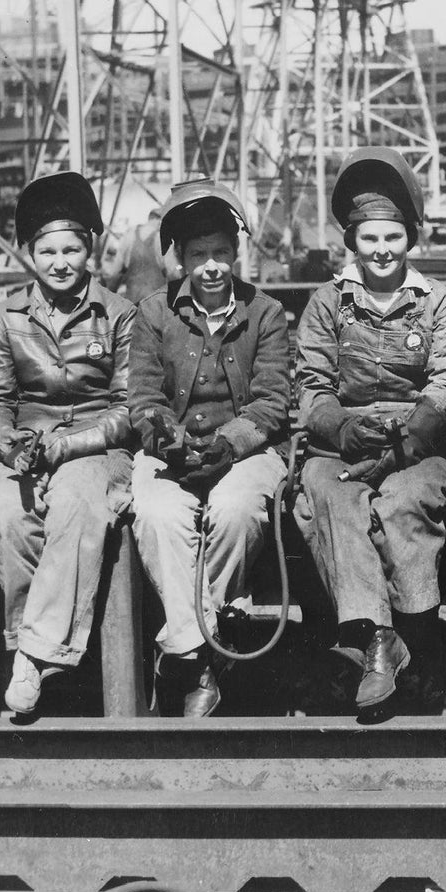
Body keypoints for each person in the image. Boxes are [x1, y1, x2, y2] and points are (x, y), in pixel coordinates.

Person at [291, 148, 446, 713]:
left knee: (404, 505)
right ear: (352, 243)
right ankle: (377, 641)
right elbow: (312, 387)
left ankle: (419, 644)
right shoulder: (327, 303)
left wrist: (402, 447)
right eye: (369, 239)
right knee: (330, 498)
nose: (382, 250)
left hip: (416, 445)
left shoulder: (435, 301)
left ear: (409, 239)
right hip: (342, 442)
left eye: (392, 237)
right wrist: (342, 431)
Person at [0, 172, 139, 717]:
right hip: (29, 441)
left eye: (72, 249)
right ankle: (33, 648)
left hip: (95, 444)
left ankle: (33, 657)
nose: (60, 262)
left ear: (90, 248)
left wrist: (71, 447)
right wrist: (7, 443)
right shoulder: (7, 313)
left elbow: (128, 408)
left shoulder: (119, 313)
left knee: (74, 505)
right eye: (47, 251)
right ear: (28, 254)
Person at [126, 180, 292, 718]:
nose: (212, 267)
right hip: (172, 453)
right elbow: (145, 399)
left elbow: (272, 402)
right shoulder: (153, 314)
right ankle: (200, 653)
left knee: (237, 509)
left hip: (245, 451)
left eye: (221, 252)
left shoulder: (265, 313)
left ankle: (185, 646)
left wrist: (229, 444)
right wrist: (167, 443)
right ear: (180, 259)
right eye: (199, 255)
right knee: (154, 514)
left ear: (236, 252)